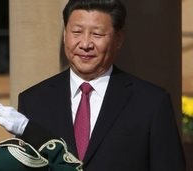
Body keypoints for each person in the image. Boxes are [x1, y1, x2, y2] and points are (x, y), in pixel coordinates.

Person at [16, 0, 186, 170]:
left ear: (118, 39)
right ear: (64, 35)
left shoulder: (151, 103)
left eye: (97, 34)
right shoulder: (33, 101)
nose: (85, 44)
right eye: (76, 32)